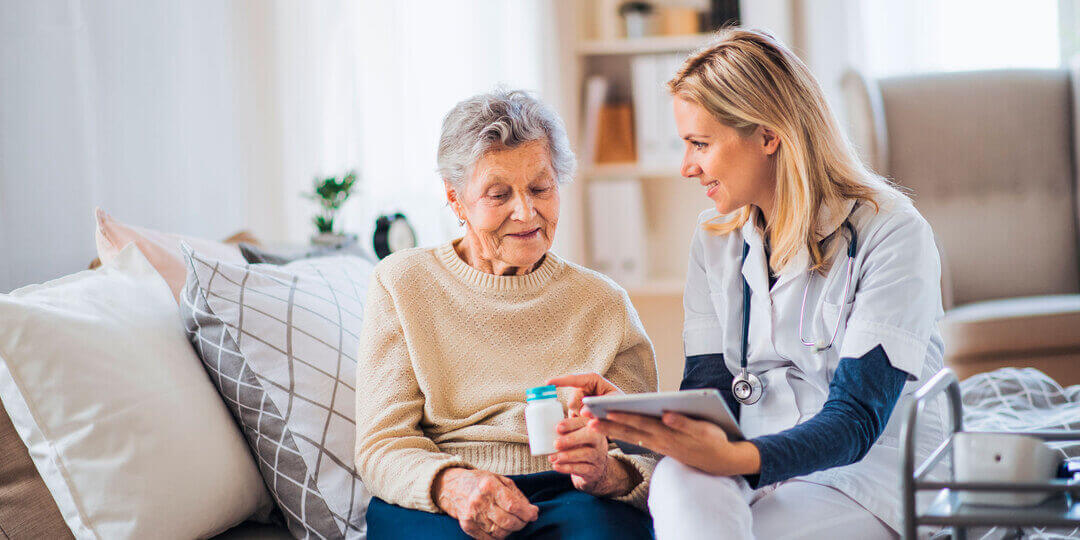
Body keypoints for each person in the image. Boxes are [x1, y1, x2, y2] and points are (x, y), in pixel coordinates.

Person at [550, 29, 948, 539]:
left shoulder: (891, 233)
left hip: (863, 476)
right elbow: (710, 395)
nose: (686, 167)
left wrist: (737, 456)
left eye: (700, 144)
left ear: (766, 135)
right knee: (676, 482)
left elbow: (855, 421)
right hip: (747, 464)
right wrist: (633, 416)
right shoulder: (714, 238)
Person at [354, 88, 658, 539]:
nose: (526, 211)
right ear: (455, 199)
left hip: (572, 492)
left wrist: (609, 473)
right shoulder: (402, 283)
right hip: (445, 490)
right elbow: (383, 444)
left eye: (541, 188)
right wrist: (452, 485)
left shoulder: (604, 304)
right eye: (498, 195)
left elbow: (646, 453)